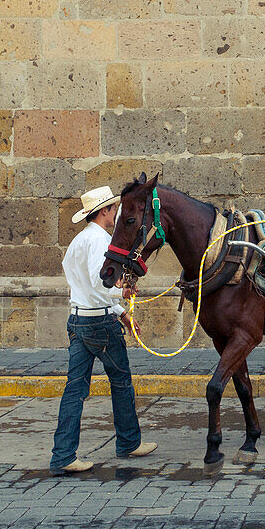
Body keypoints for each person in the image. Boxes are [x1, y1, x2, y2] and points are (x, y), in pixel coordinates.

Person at [50, 186, 158, 475]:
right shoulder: (100, 241)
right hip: (100, 323)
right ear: (104, 212)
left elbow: (83, 288)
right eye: (113, 210)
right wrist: (122, 295)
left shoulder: (78, 242)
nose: (116, 214)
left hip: (78, 319)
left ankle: (62, 455)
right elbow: (101, 284)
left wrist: (121, 313)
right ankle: (128, 441)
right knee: (121, 382)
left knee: (75, 389)